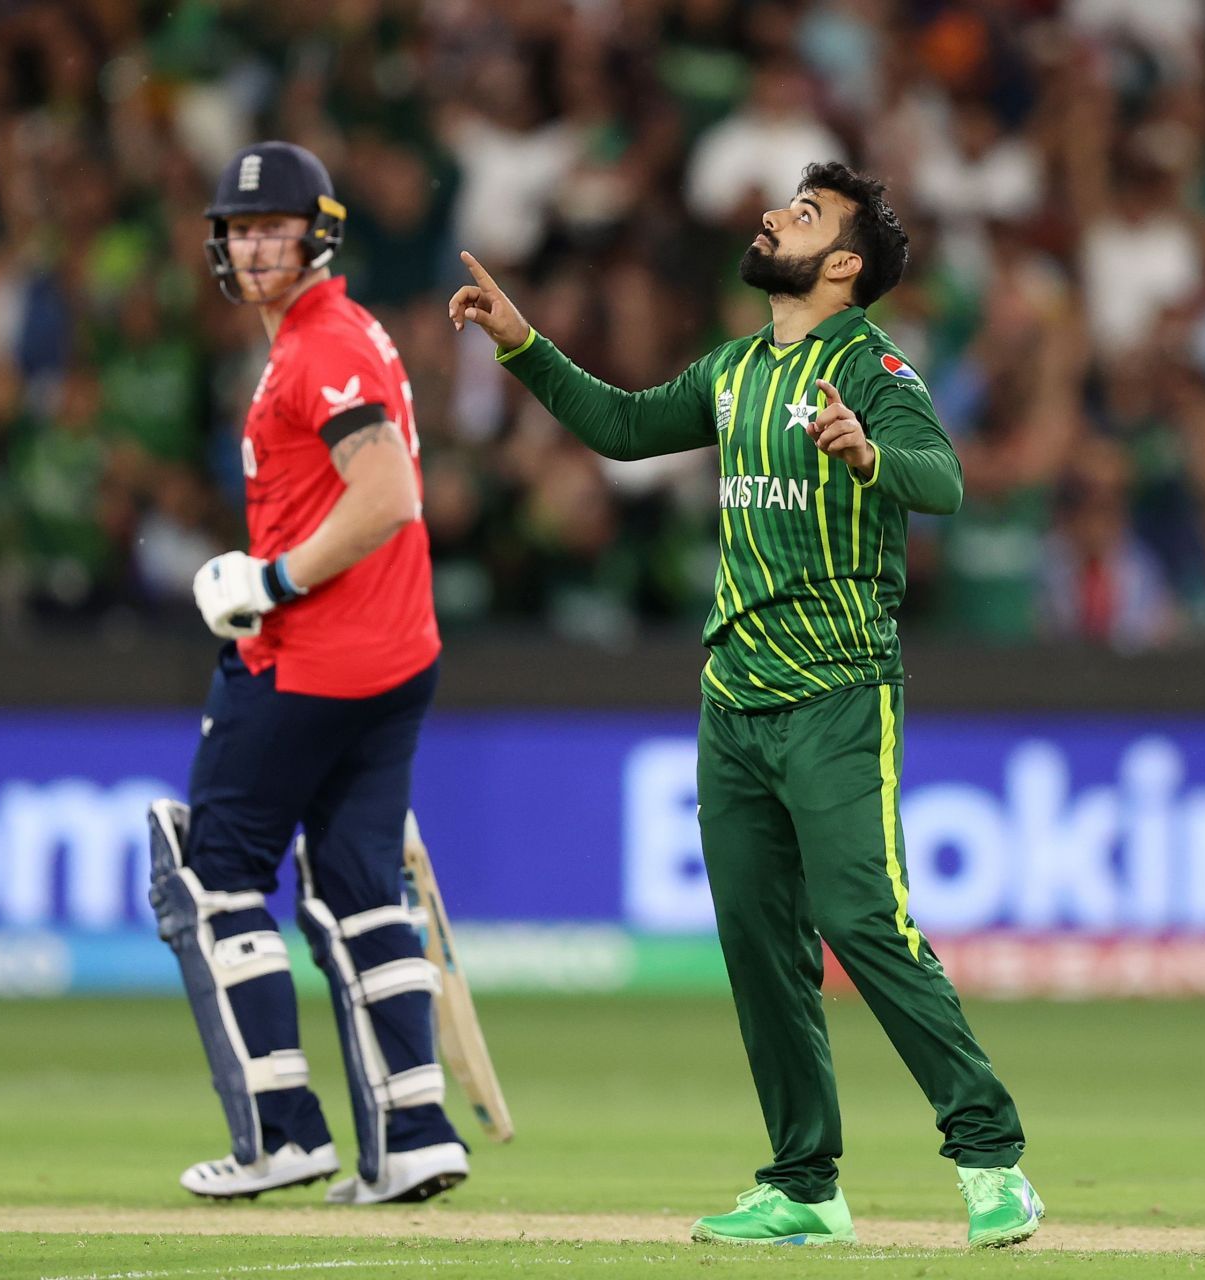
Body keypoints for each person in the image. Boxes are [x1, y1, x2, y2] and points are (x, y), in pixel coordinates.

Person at [450, 161, 1042, 1249]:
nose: (774, 216)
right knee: (758, 942)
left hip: (836, 694)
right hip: (734, 702)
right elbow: (625, 427)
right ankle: (805, 1184)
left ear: (846, 263)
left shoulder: (873, 365)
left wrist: (868, 453)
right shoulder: (734, 369)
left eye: (804, 214)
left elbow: (945, 478)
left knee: (866, 922)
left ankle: (991, 1153)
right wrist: (520, 341)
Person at [147, 140, 465, 1205]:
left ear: (318, 234)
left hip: (310, 657)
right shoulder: (342, 334)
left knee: (210, 875)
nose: (253, 246)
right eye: (239, 230)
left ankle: (281, 1134)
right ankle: (412, 1132)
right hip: (395, 654)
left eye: (274, 227)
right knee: (359, 889)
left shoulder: (322, 342)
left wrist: (271, 581)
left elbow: (387, 496)